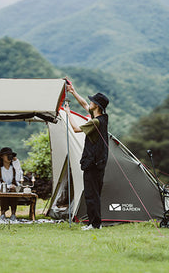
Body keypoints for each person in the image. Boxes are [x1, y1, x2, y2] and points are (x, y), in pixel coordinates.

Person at [64, 82, 109, 230]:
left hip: (93, 163)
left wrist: (68, 114)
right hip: (98, 163)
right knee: (94, 193)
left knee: (91, 194)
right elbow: (84, 104)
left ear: (96, 105)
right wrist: (73, 91)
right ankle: (95, 223)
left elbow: (76, 129)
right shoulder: (102, 118)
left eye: (92, 101)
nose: (89, 102)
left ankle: (94, 224)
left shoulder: (95, 122)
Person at [0, 147, 23, 222]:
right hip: (2, 192)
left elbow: (18, 179)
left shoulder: (14, 168)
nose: (9, 157)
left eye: (10, 155)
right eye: (7, 155)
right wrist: (8, 187)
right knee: (4, 191)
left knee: (13, 191)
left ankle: (13, 214)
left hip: (13, 191)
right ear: (2, 157)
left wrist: (16, 163)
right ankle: (3, 213)